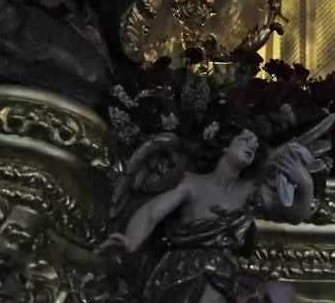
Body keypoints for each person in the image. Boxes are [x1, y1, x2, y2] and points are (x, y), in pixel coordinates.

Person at [104, 127, 315, 303]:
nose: (252, 145)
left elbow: (295, 214)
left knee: (281, 293)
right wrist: (131, 240)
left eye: (255, 145)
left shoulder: (251, 190)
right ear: (225, 145)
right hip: (183, 269)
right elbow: (151, 212)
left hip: (225, 274)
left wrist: (305, 183)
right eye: (244, 139)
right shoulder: (193, 183)